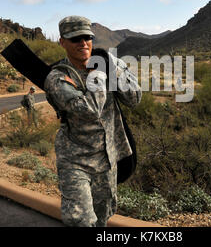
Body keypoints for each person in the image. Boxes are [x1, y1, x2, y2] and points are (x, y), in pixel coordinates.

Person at [44, 16, 142, 227]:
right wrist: (98, 76)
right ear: (62, 42)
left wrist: (114, 68)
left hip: (106, 160)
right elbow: (88, 110)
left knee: (102, 219)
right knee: (80, 221)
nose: (83, 43)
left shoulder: (108, 64)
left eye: (87, 37)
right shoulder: (57, 78)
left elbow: (134, 99)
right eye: (75, 39)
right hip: (75, 162)